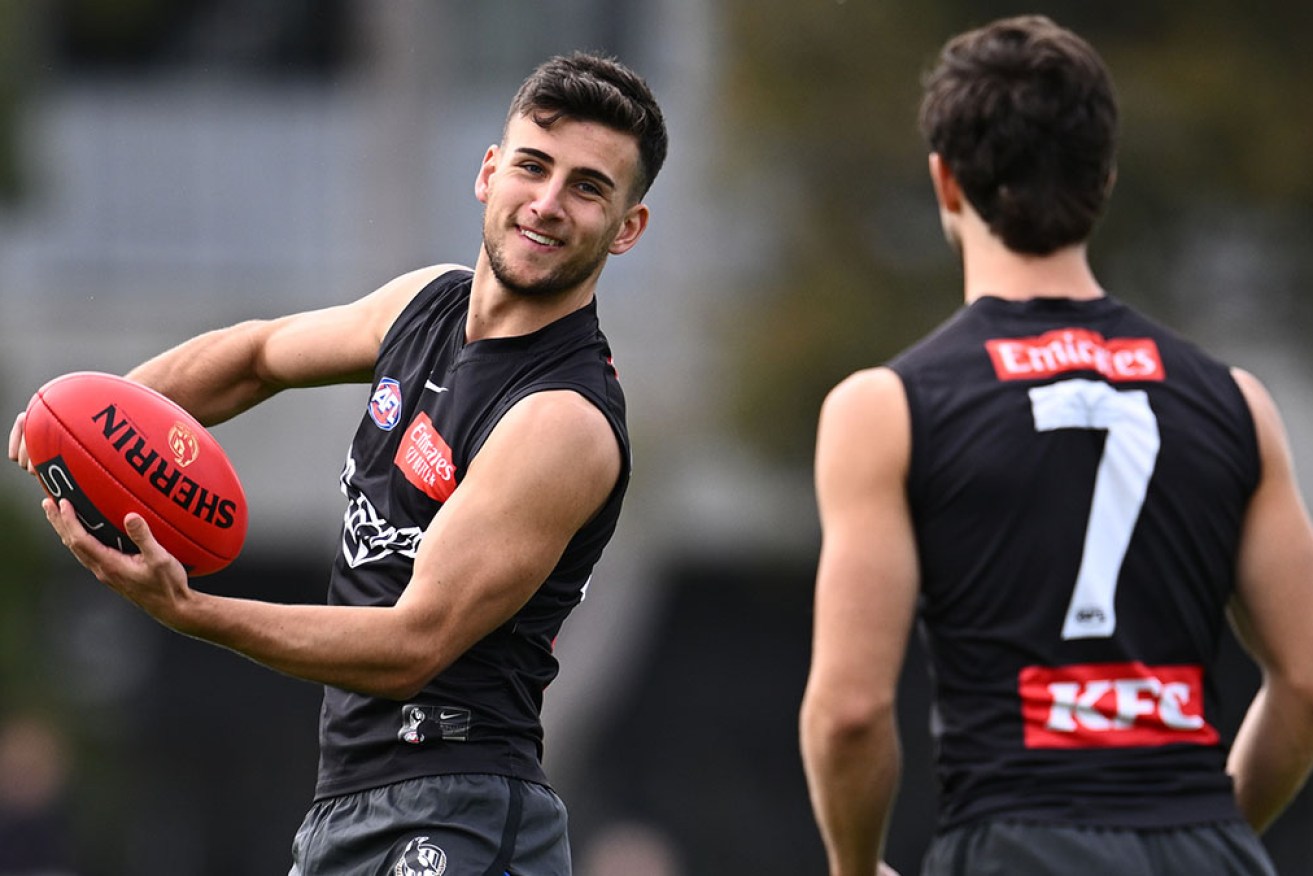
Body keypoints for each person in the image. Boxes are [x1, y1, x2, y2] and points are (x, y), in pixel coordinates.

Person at [8, 50, 667, 875]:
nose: (546, 203)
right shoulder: (424, 305)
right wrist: (78, 424)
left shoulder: (559, 420)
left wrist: (192, 612)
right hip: (349, 805)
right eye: (532, 167)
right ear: (489, 173)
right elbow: (253, 357)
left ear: (627, 227)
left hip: (457, 812)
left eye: (587, 187)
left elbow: (410, 645)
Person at [800, 15, 1313, 876]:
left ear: (945, 182)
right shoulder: (1238, 403)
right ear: (1102, 179)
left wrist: (855, 867)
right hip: (1203, 846)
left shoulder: (884, 409)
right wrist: (1209, 833)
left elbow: (849, 711)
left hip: (1016, 843)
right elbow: (1304, 683)